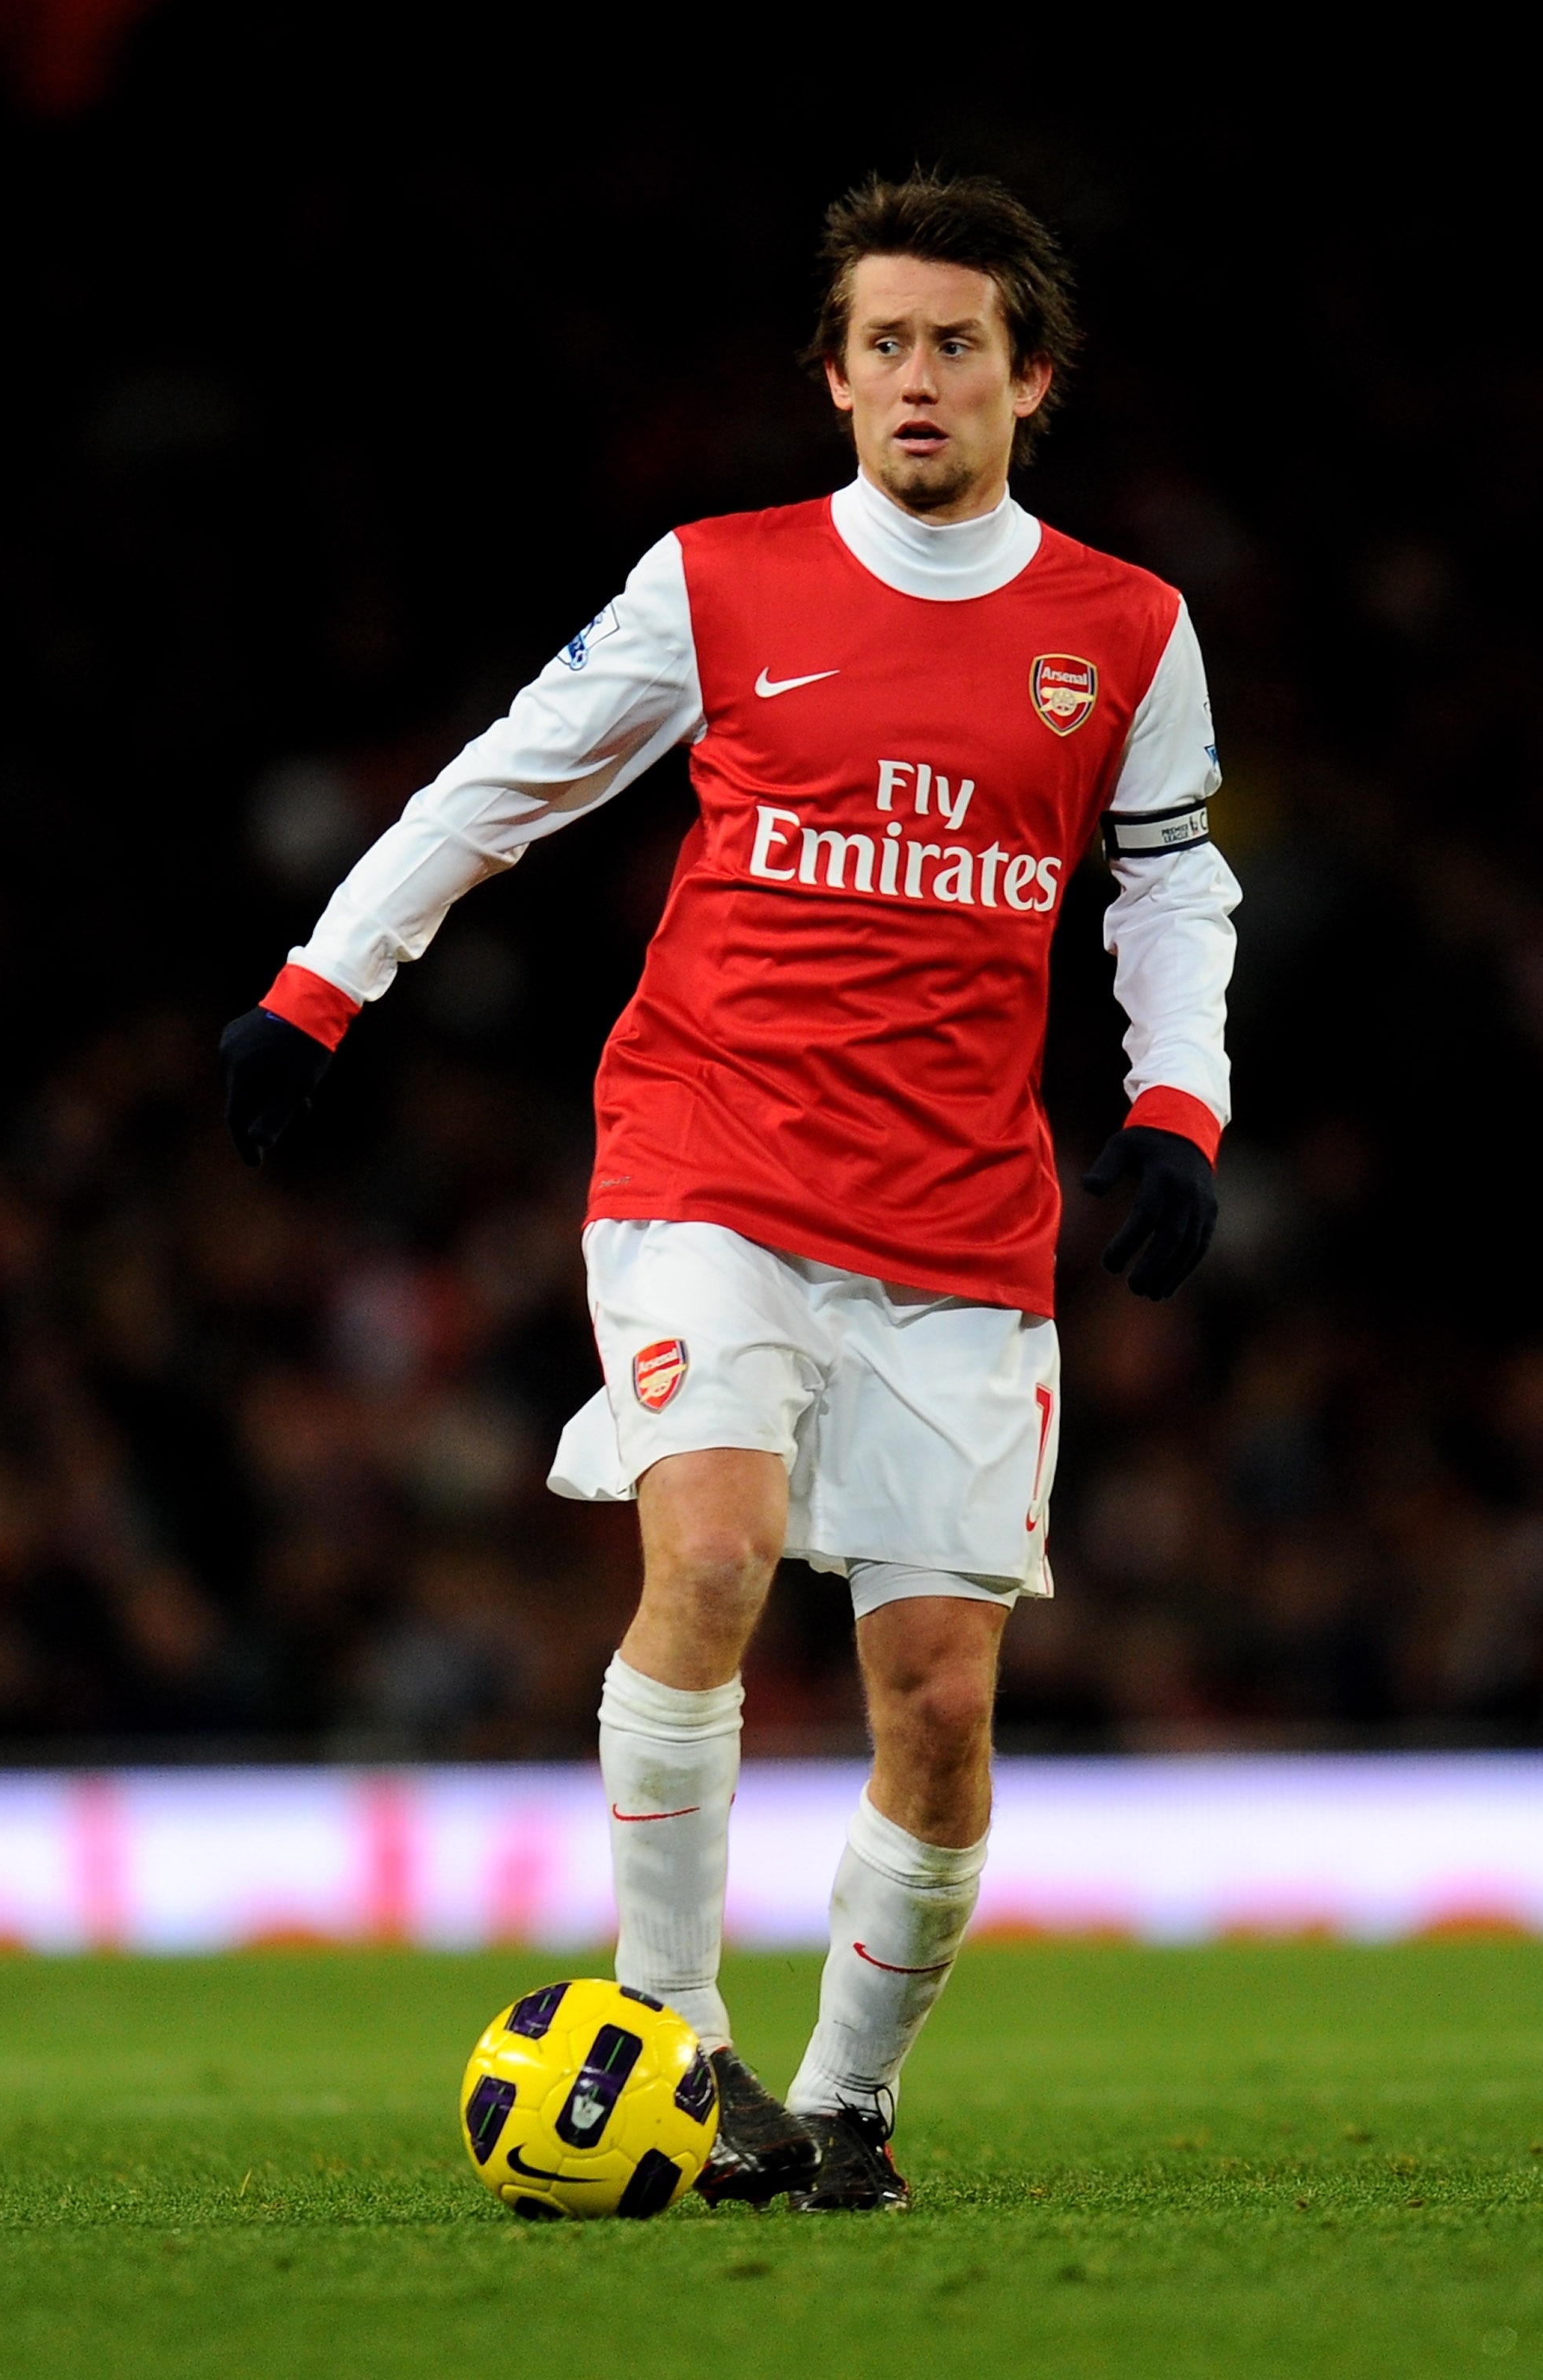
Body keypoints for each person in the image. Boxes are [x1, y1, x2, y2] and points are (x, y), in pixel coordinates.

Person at [221, 171, 1239, 2212]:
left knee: (937, 1702)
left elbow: (1171, 887)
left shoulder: (1125, 630)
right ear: (835, 379)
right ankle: (673, 2042)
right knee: (711, 1556)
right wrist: (318, 989)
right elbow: (502, 779)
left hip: (957, 1219)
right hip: (712, 1157)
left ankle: (843, 2109)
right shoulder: (718, 581)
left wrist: (1177, 1106)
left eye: (958, 343)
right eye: (883, 344)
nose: (918, 378)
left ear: (1029, 381)